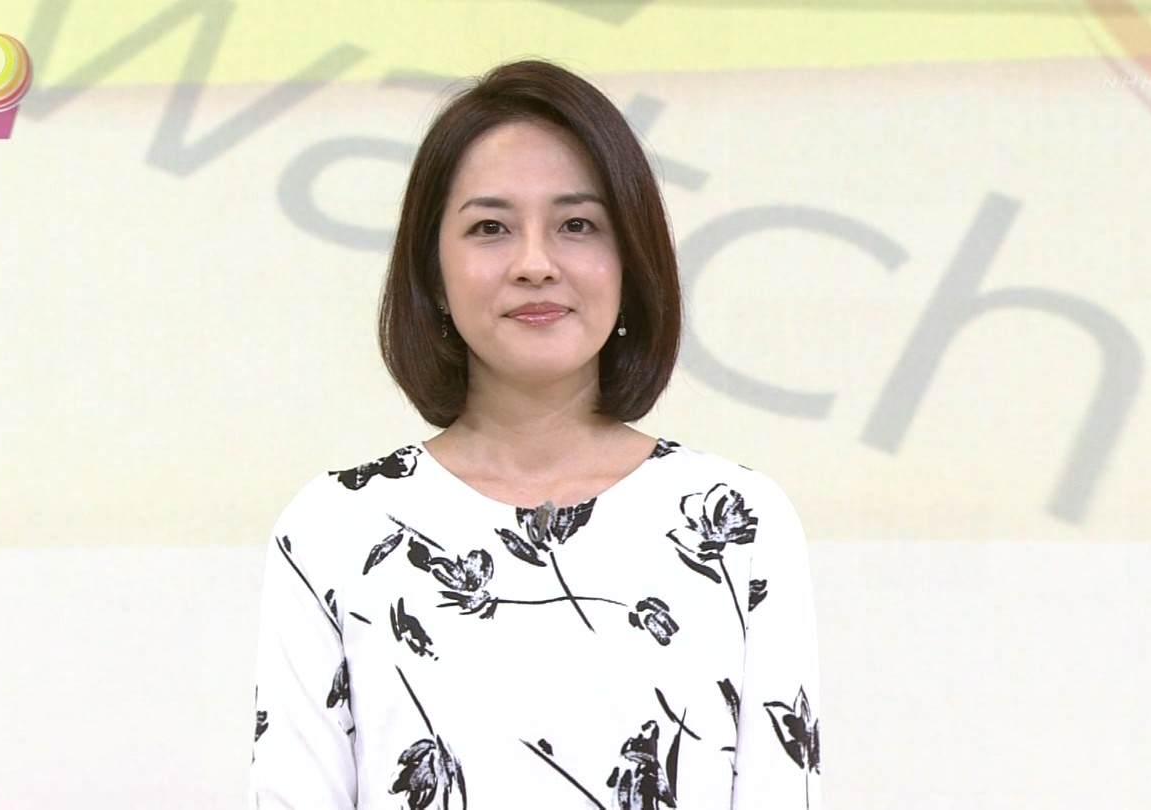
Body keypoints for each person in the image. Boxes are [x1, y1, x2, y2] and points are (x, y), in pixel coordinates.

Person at [250, 59, 822, 810]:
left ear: (631, 260)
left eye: (576, 225)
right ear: (433, 273)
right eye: (489, 228)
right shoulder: (335, 527)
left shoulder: (736, 520)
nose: (534, 264)